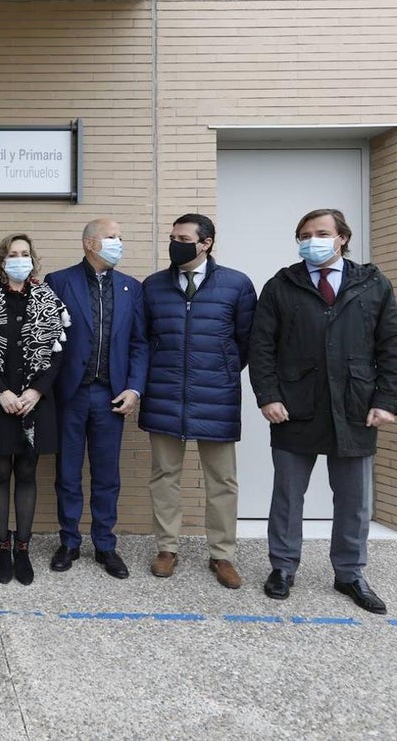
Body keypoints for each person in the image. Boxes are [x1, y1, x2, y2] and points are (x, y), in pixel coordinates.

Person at [249, 208, 397, 614]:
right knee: (288, 496)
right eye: (304, 234)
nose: (311, 240)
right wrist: (268, 396)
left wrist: (386, 401)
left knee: (353, 501)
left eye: (321, 232)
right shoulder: (281, 286)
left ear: (342, 238)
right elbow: (261, 348)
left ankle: (350, 573)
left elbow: (391, 348)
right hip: (294, 408)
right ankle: (283, 568)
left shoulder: (373, 285)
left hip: (354, 409)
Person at [139, 214, 256, 589]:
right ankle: (167, 548)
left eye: (183, 237)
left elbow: (246, 342)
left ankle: (222, 555)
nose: (175, 243)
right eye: (172, 237)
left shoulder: (236, 284)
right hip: (164, 393)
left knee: (222, 480)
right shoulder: (154, 286)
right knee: (164, 476)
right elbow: (143, 339)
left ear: (205, 243)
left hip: (216, 396)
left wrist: (220, 371)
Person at [45, 219, 147, 579]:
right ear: (90, 242)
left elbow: (138, 343)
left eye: (121, 237)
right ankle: (69, 541)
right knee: (68, 473)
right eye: (112, 237)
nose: (119, 243)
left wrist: (134, 388)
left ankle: (105, 544)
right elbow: (46, 339)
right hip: (70, 395)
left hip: (111, 396)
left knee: (107, 475)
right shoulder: (58, 282)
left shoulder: (130, 288)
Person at [0, 233, 68, 586]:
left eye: (25, 253)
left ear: (33, 259)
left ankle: (22, 549)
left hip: (35, 402)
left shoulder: (49, 299)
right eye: (13, 253)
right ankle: (1, 546)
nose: (19, 259)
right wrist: (1, 393)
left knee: (27, 471)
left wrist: (37, 391)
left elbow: (58, 351)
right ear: (2, 260)